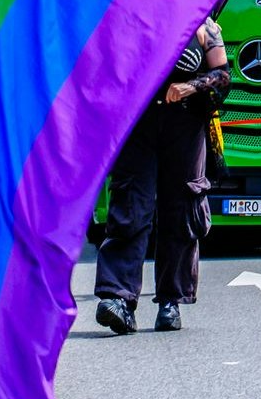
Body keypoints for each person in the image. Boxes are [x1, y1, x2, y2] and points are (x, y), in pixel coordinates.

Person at [93, 18, 230, 334]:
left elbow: (224, 76)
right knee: (129, 206)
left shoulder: (204, 26)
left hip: (184, 125)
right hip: (137, 124)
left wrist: (190, 87)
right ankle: (118, 298)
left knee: (181, 211)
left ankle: (171, 301)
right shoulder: (131, 16)